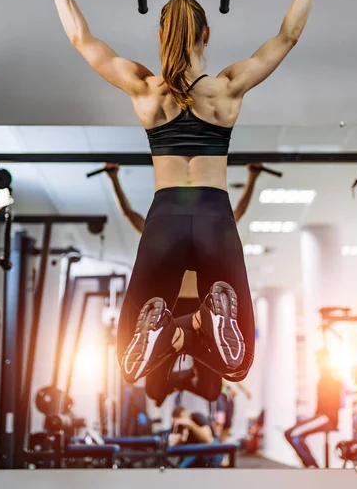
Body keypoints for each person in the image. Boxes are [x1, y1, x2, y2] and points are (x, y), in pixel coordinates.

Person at [37, 0, 330, 388]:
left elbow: (83, 40)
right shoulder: (228, 87)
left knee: (127, 356)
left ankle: (173, 329)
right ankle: (200, 322)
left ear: (159, 35)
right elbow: (287, 37)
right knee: (239, 364)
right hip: (214, 214)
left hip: (165, 217)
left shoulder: (143, 89)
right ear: (207, 33)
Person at [104, 161, 264, 405]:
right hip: (200, 312)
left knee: (190, 391)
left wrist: (114, 179)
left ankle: (179, 347)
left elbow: (129, 214)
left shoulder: (166, 237)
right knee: (162, 391)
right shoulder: (205, 235)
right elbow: (236, 212)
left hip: (177, 313)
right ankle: (185, 352)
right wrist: (252, 179)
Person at [284, 347, 344, 468]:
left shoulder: (331, 374)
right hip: (321, 416)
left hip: (327, 418)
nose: (318, 362)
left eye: (320, 359)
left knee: (293, 434)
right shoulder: (323, 376)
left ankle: (312, 467)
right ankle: (310, 465)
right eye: (317, 359)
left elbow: (337, 398)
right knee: (289, 433)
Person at [214, 378, 252, 443]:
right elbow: (220, 377)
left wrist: (246, 390)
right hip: (219, 395)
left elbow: (238, 380)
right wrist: (230, 388)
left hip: (229, 397)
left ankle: (223, 444)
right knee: (220, 421)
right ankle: (215, 443)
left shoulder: (233, 369)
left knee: (228, 423)